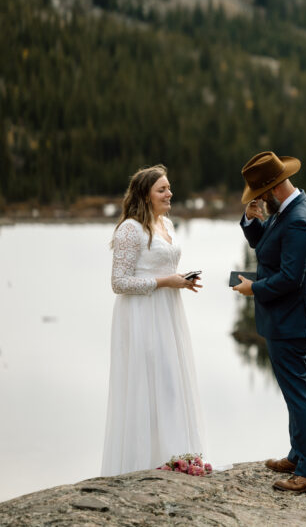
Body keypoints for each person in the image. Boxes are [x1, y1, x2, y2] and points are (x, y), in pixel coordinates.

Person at [101, 164, 205, 476]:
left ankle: (175, 456)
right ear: (145, 195)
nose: (169, 193)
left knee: (170, 383)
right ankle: (143, 464)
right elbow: (118, 282)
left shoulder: (166, 224)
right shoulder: (130, 229)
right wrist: (164, 282)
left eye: (169, 188)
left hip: (168, 314)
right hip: (142, 317)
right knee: (147, 385)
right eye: (162, 189)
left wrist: (181, 281)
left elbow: (162, 267)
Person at [231, 151, 306, 493]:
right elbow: (267, 246)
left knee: (299, 394)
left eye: (258, 195)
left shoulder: (298, 219)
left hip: (291, 319)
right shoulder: (290, 210)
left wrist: (253, 288)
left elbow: (289, 278)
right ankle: (298, 455)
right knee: (292, 391)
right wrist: (252, 218)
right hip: (287, 318)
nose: (256, 200)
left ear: (270, 189)